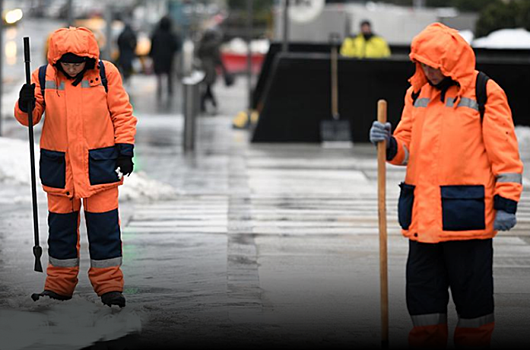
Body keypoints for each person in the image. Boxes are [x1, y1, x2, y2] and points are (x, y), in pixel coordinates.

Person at [369, 23, 523, 348]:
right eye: (423, 64)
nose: (428, 71)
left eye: (434, 66)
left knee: (474, 313)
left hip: (465, 222)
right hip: (422, 222)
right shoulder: (416, 93)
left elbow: (505, 154)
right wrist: (389, 144)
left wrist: (506, 203)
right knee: (424, 312)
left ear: (450, 62)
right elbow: (407, 146)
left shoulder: (484, 92)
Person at [15, 27, 137, 308]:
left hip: (100, 166)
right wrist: (25, 104)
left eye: (77, 63)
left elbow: (122, 114)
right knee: (60, 232)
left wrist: (125, 151)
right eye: (66, 63)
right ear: (57, 60)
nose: (71, 68)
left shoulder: (106, 74)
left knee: (105, 231)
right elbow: (30, 118)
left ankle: (109, 287)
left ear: (89, 59)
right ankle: (58, 286)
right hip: (61, 169)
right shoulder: (44, 76)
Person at [149, 15, 181, 100]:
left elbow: (152, 46)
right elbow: (176, 46)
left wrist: (151, 55)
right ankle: (170, 90)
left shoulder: (156, 34)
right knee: (169, 74)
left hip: (158, 57)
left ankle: (159, 90)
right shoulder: (171, 34)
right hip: (168, 58)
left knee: (159, 75)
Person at [197, 28, 225, 114]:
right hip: (210, 67)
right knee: (208, 86)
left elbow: (197, 54)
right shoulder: (214, 45)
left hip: (203, 67)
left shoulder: (202, 45)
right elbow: (217, 57)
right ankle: (211, 103)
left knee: (206, 86)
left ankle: (205, 104)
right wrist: (223, 67)